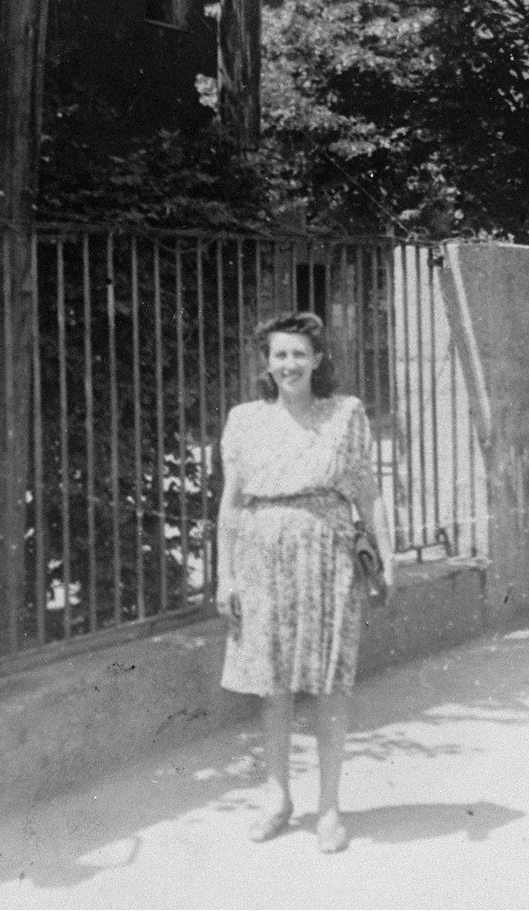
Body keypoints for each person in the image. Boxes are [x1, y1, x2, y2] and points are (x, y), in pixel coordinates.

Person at [216, 311, 393, 853]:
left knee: (330, 685)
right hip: (262, 560)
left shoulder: (345, 414)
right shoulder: (245, 420)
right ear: (266, 363)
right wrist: (225, 575)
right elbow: (231, 503)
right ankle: (278, 799)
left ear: (317, 359)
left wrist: (388, 558)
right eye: (279, 355)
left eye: (298, 353)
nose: (288, 364)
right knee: (273, 686)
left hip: (328, 559)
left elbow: (367, 492)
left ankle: (330, 807)